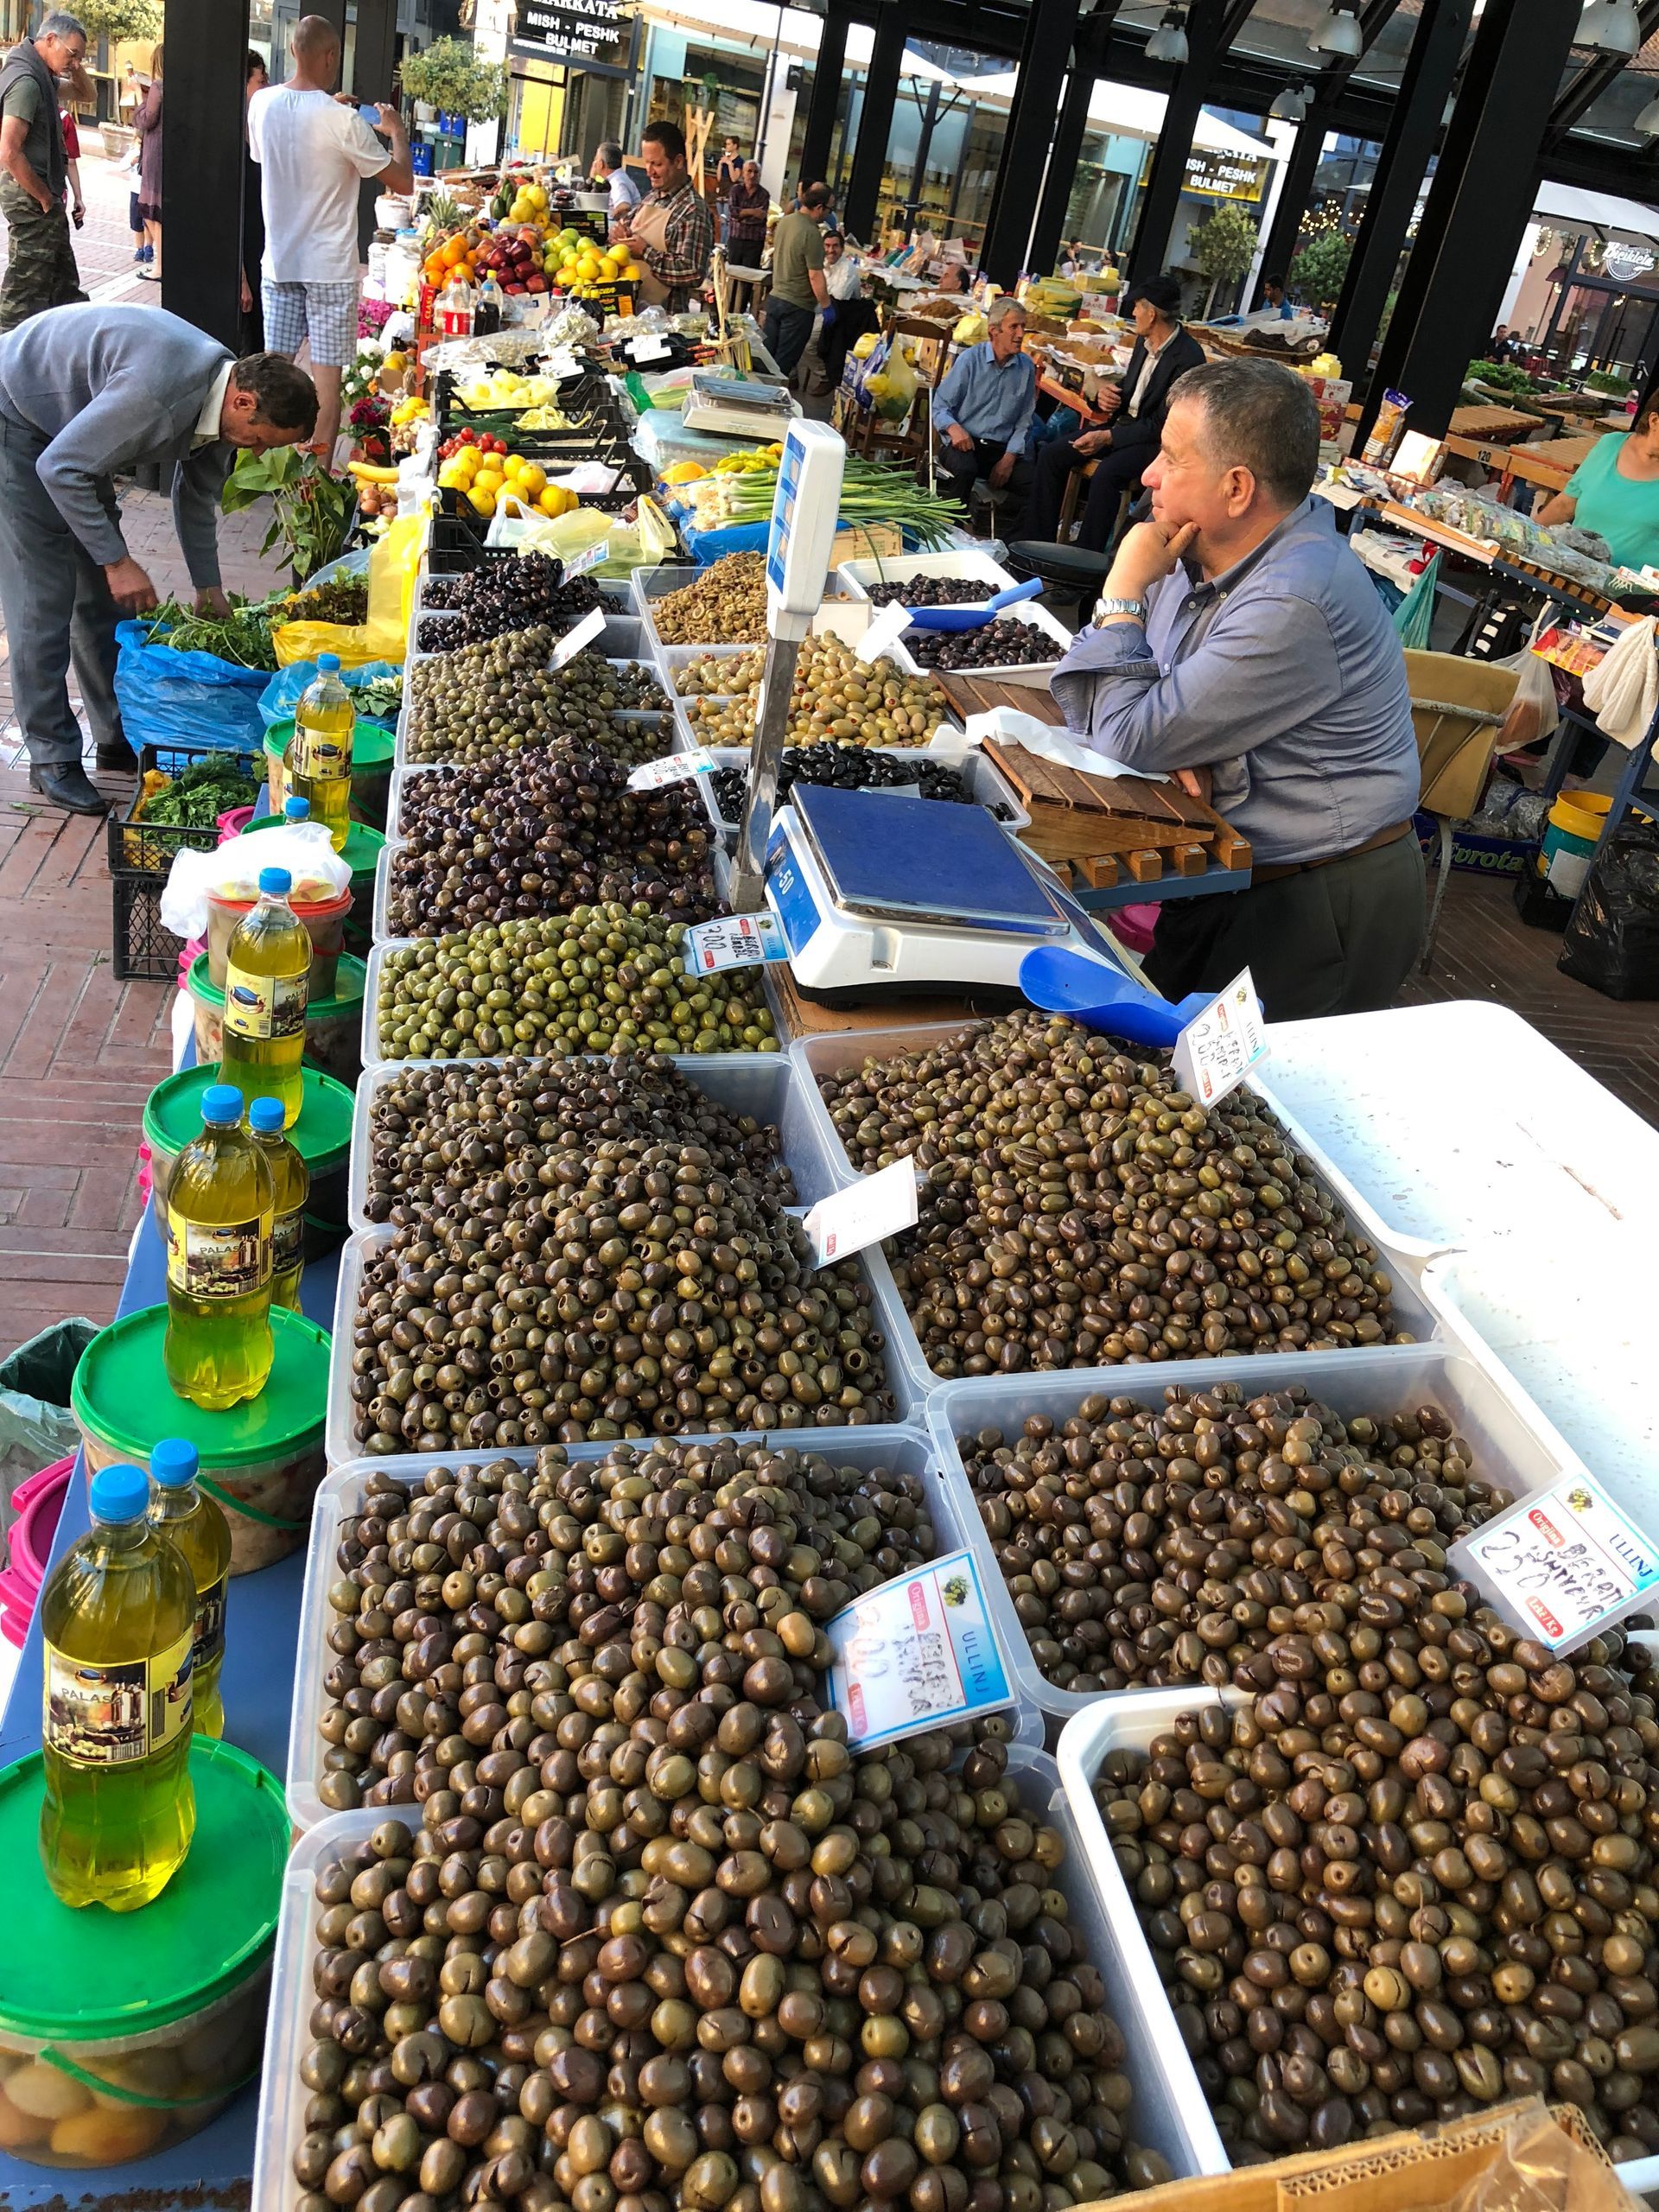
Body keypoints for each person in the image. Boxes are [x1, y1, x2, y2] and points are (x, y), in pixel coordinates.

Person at [1050, 357, 1423, 1020]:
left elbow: (1123, 732)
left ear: (1238, 487)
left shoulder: (1294, 596)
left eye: (1170, 458)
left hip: (1316, 899)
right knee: (1159, 1065)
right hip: (1222, 870)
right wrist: (1176, 736)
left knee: (1240, 1107)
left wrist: (1121, 596)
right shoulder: (1187, 549)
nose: (1147, 476)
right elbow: (1124, 714)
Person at [0, 305, 316, 815]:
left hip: (74, 438)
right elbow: (60, 467)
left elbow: (194, 498)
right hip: (18, 421)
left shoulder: (223, 403)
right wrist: (117, 560)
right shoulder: (157, 395)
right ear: (243, 401)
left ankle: (114, 734)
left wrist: (208, 587)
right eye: (260, 440)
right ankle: (51, 759)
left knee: (102, 602)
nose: (257, 453)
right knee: (43, 603)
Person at [249, 12, 413, 461]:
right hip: (329, 271)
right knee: (325, 389)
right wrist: (396, 132)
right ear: (330, 56)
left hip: (279, 263)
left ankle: (264, 472)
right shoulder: (344, 121)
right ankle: (316, 482)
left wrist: (327, 112)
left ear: (293, 51)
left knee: (271, 382)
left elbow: (278, 151)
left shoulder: (261, 103)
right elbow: (402, 182)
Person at [1027, 272, 1205, 550]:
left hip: (1154, 442)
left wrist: (1108, 438)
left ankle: (1084, 562)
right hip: (1122, 426)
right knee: (1053, 454)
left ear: (1152, 313)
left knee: (1107, 475)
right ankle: (1036, 543)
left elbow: (1164, 423)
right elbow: (1133, 388)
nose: (1133, 313)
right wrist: (1106, 395)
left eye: (1137, 307)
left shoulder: (1189, 358)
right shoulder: (1142, 343)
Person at [0, 10, 87, 334]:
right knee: (24, 292)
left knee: (62, 282)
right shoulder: (27, 82)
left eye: (79, 57)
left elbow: (87, 95)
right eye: (72, 54)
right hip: (31, 198)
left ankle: (71, 344)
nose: (75, 63)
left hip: (42, 197)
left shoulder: (44, 76)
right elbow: (9, 150)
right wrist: (43, 197)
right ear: (50, 40)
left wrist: (75, 65)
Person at [932, 295, 1035, 532]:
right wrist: (954, 428)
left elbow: (1025, 420)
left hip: (999, 450)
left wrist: (1009, 459)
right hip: (965, 444)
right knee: (966, 470)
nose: (1020, 334)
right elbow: (940, 405)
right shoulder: (971, 360)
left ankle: (1012, 544)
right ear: (994, 331)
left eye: (1023, 327)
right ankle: (950, 534)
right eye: (1014, 327)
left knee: (1036, 482)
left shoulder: (1026, 368)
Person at [1536, 404, 1659, 570]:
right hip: (1571, 570)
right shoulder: (1610, 445)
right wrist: (1526, 536)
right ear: (1654, 420)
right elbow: (1566, 504)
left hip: (1633, 592)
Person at [612, 118, 714, 311]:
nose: (649, 172)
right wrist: (619, 233)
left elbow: (692, 272)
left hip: (663, 323)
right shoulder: (652, 197)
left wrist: (645, 252)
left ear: (678, 162)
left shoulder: (693, 210)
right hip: (633, 315)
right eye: (647, 163)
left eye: (657, 164)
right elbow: (627, 226)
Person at [764, 180, 830, 379]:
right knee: (782, 367)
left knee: (766, 361)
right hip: (798, 307)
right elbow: (815, 275)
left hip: (775, 298)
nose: (828, 214)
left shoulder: (785, 221)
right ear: (819, 208)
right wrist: (827, 306)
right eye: (828, 209)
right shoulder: (812, 233)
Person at [817, 229, 875, 394]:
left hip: (842, 319)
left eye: (835, 246)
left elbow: (840, 296)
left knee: (809, 342)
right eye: (827, 246)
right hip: (821, 311)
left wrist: (821, 293)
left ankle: (826, 377)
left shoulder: (847, 269)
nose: (830, 250)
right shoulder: (822, 265)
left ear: (842, 249)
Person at [242, 50, 267, 349]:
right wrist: (242, 279)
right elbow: (225, 216)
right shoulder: (231, 140)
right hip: (246, 263)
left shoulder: (257, 129)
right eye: (259, 81)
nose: (263, 89)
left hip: (260, 256)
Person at [133, 42, 162, 283]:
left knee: (152, 212)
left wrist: (140, 105)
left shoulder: (158, 87)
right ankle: (162, 263)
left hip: (155, 155)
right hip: (166, 154)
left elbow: (148, 120)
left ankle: (160, 266)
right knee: (154, 212)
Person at [725, 156, 768, 263]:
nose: (752, 175)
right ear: (743, 173)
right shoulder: (736, 190)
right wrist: (753, 211)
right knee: (732, 272)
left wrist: (741, 214)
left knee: (749, 276)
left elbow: (760, 217)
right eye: (749, 171)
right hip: (736, 239)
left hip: (754, 242)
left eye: (756, 172)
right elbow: (732, 212)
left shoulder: (764, 194)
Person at [592, 137, 639, 216]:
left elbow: (624, 207)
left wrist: (610, 217)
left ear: (601, 164)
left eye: (596, 159)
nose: (594, 162)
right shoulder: (617, 177)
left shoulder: (617, 182)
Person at [58, 95, 83, 234]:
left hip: (21, 186)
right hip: (55, 188)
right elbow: (71, 162)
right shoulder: (63, 117)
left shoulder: (18, 112)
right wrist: (78, 197)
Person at [715, 133, 741, 238]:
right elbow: (718, 178)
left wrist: (730, 164)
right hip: (721, 191)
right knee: (721, 220)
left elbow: (734, 178)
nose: (727, 146)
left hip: (730, 193)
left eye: (729, 144)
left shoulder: (739, 161)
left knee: (726, 221)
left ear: (735, 146)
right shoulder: (725, 159)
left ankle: (723, 244)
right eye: (726, 144)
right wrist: (721, 164)